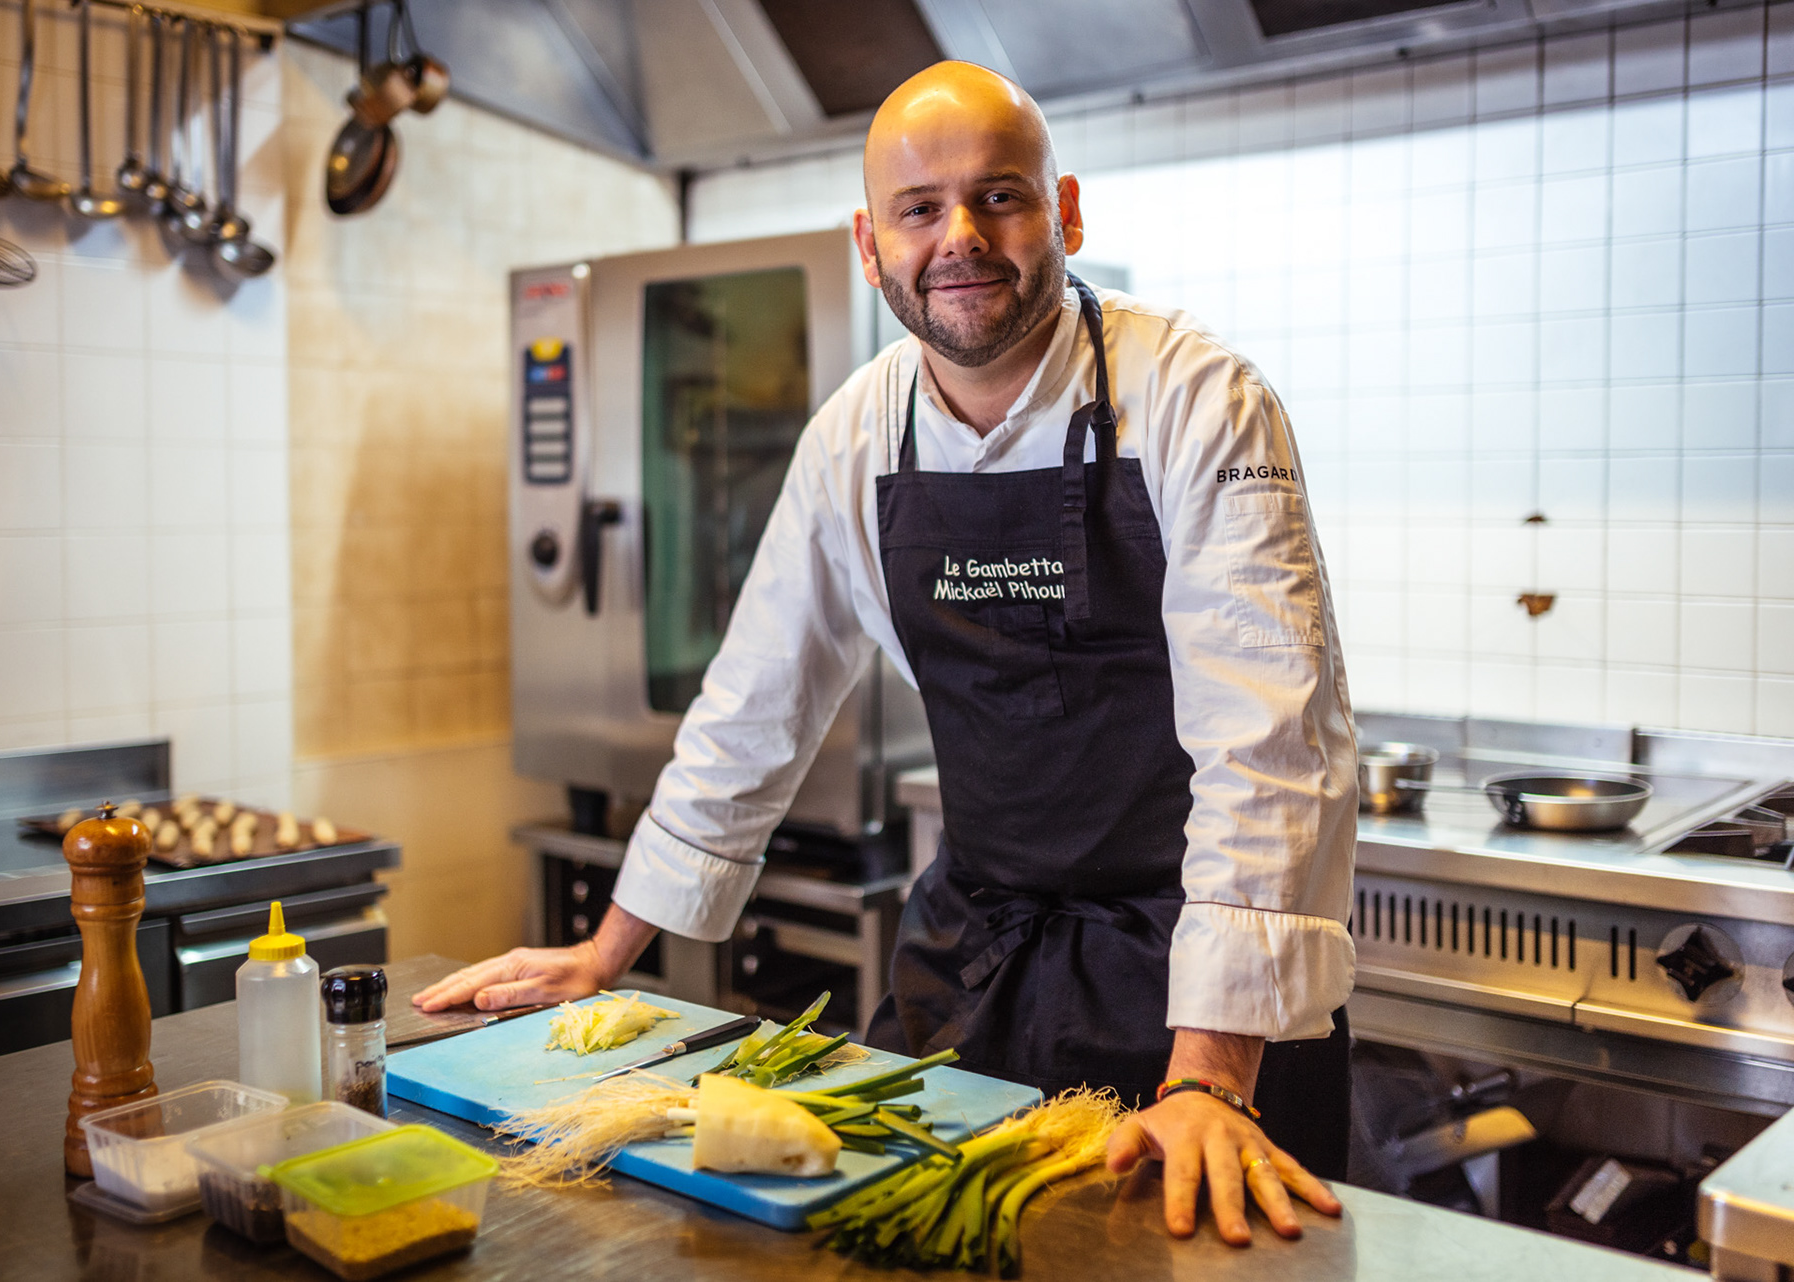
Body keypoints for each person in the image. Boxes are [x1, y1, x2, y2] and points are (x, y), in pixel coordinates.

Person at [417, 61, 1357, 1247]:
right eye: (919, 209)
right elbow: (755, 703)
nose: (959, 238)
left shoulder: (1198, 397)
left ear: (1065, 213)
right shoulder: (858, 434)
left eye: (1000, 197)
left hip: (1191, 987)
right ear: (872, 243)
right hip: (975, 960)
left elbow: (1269, 736)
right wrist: (605, 953)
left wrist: (1212, 1074)